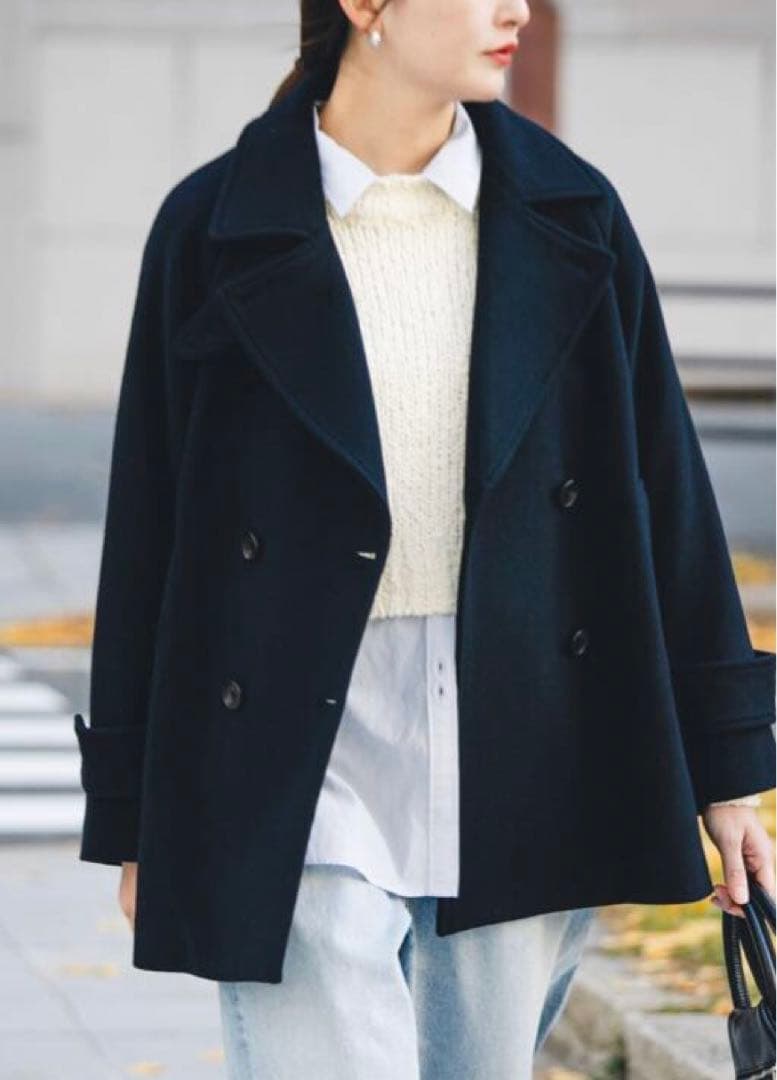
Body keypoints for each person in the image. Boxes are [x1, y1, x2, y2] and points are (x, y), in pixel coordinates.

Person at [73, 1, 776, 1077]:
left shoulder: (573, 214)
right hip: (288, 733)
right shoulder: (214, 226)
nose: (516, 10)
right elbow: (151, 526)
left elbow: (664, 490)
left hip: (522, 727)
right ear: (367, 7)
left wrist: (728, 774)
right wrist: (133, 816)